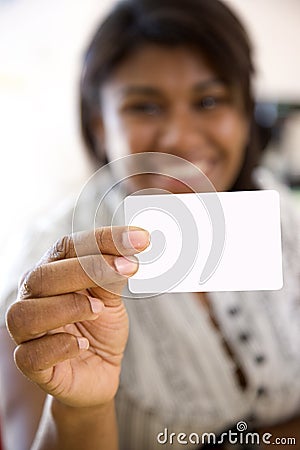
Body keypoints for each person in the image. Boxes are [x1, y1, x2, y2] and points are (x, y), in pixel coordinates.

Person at [0, 0, 300, 449]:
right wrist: (83, 411)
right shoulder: (51, 266)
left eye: (209, 100)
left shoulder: (283, 220)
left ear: (243, 116)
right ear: (101, 125)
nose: (178, 137)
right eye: (144, 107)